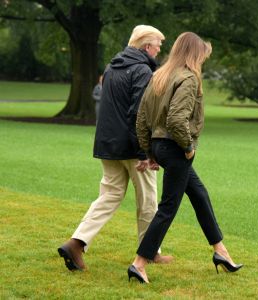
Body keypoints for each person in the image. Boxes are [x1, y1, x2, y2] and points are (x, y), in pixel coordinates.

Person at [128, 32, 243, 284]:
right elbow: (176, 120)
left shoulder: (160, 75)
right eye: (203, 55)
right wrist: (188, 148)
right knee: (168, 208)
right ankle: (139, 263)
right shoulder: (188, 78)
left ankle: (221, 252)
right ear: (194, 54)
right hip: (176, 148)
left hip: (161, 146)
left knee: (199, 195)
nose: (203, 60)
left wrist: (151, 152)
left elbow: (141, 119)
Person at [58, 25, 173, 271]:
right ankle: (150, 252)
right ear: (146, 47)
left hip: (108, 145)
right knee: (148, 201)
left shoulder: (112, 67)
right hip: (134, 148)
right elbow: (139, 114)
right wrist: (146, 152)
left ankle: (76, 243)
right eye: (157, 46)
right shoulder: (143, 70)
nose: (158, 51)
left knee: (108, 196)